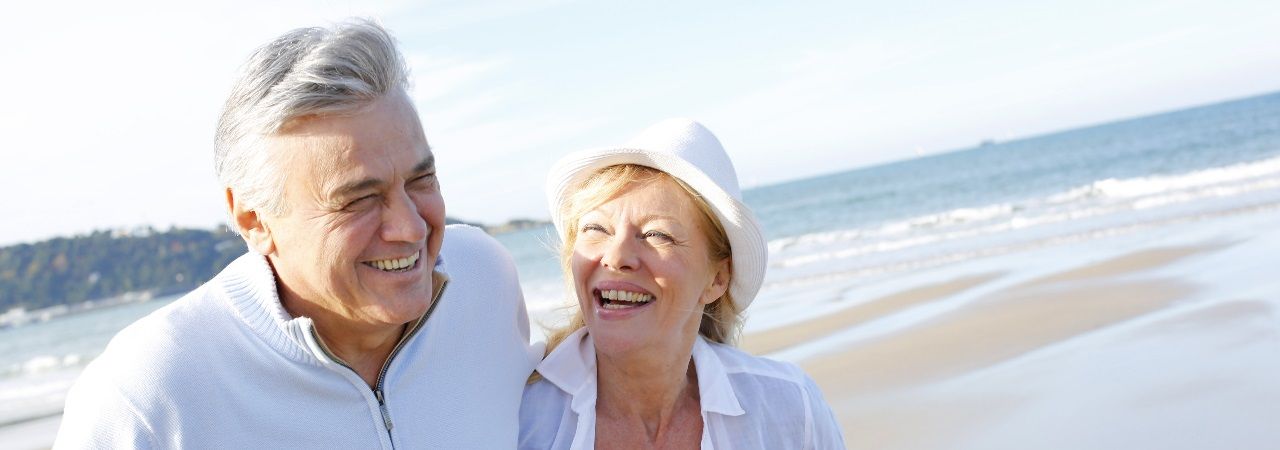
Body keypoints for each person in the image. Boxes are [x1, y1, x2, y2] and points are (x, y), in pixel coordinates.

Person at [54, 19, 537, 448]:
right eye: (359, 199)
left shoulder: (484, 275)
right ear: (253, 220)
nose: (410, 227)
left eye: (420, 180)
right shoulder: (149, 393)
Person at [519, 119, 846, 449]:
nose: (616, 256)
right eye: (597, 229)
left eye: (656, 234)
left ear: (718, 279)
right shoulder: (518, 416)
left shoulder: (790, 408)